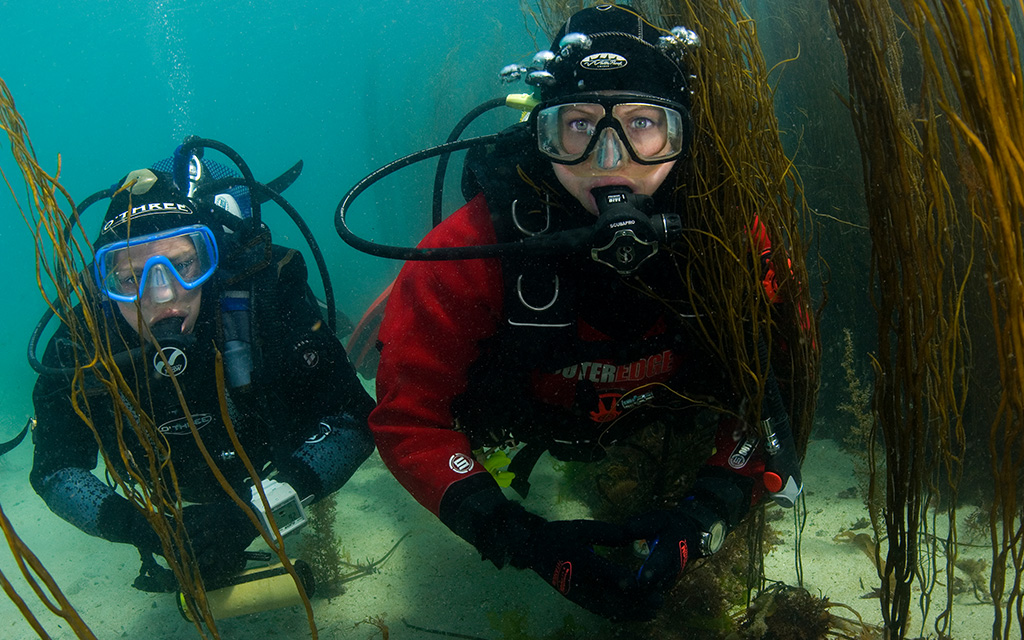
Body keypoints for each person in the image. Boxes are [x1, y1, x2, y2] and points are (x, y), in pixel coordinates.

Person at [368, 4, 807, 622]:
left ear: (683, 136)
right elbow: (408, 416)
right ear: (540, 133)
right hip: (528, 419)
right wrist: (518, 537)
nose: (610, 158)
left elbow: (779, 379)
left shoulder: (732, 241)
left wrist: (708, 510)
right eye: (577, 126)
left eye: (644, 123)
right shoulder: (468, 250)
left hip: (668, 416)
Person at [30, 158, 375, 592]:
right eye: (131, 278)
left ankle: (331, 319)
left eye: (184, 265)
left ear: (209, 256)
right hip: (168, 488)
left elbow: (353, 419)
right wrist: (144, 528)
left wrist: (257, 510)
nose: (163, 295)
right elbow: (55, 469)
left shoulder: (259, 301)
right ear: (103, 284)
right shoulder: (81, 345)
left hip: (271, 459)